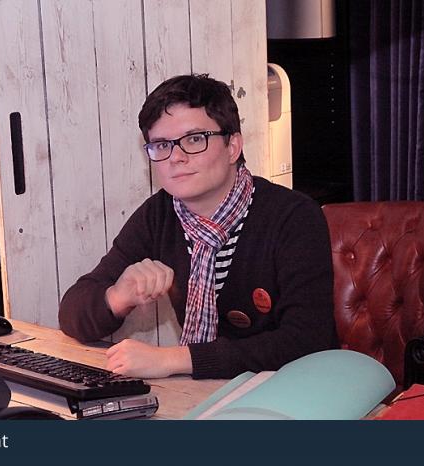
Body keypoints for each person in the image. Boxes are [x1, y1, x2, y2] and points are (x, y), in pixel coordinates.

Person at [58, 74, 337, 380]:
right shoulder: (159, 215)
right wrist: (117, 297)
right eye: (162, 145)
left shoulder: (293, 216)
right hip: (203, 391)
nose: (176, 158)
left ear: (233, 147)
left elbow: (307, 342)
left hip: (293, 391)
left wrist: (173, 360)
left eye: (194, 139)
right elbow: (71, 313)